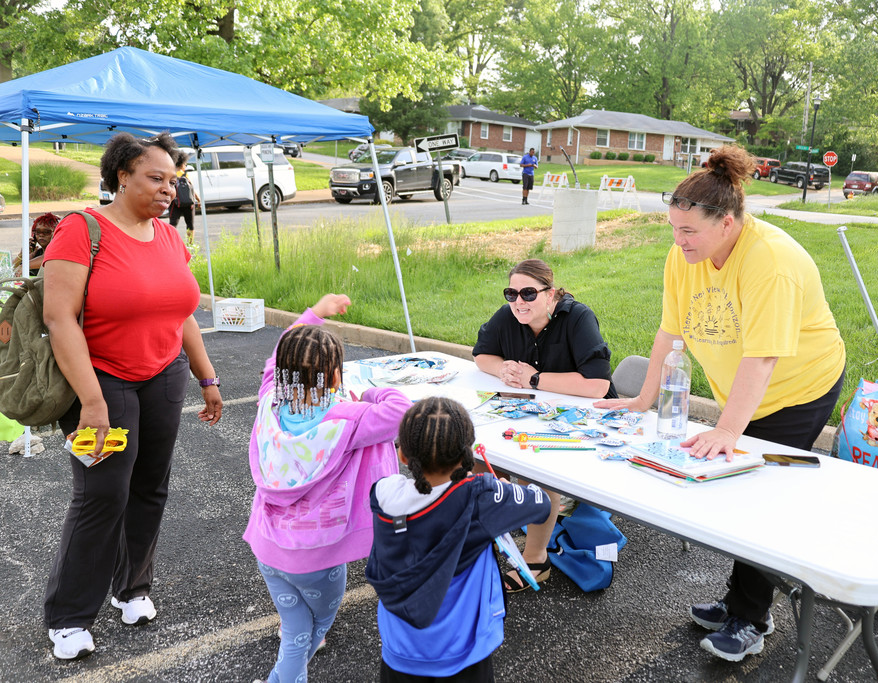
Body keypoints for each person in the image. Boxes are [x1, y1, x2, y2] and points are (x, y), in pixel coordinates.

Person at [595, 145, 846, 663]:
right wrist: (643, 398)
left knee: (758, 495)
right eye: (673, 228)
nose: (678, 240)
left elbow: (763, 360)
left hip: (799, 387)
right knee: (742, 487)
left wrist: (729, 432)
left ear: (727, 222)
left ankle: (753, 618)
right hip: (748, 392)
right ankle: (741, 601)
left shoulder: (770, 262)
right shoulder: (683, 256)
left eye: (689, 231)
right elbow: (670, 330)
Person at [40, 131, 223, 661]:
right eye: (156, 178)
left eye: (174, 181)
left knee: (150, 487)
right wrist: (92, 402)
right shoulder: (82, 230)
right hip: (103, 380)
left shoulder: (167, 237)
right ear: (122, 175)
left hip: (164, 376)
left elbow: (181, 310)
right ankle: (69, 617)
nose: (169, 190)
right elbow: (58, 319)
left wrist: (206, 376)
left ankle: (133, 587)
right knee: (102, 495)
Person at [245, 293, 411, 683]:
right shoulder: (349, 420)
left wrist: (314, 314)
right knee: (310, 631)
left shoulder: (269, 399)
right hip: (318, 557)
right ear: (335, 377)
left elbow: (277, 355)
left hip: (268, 549)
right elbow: (402, 411)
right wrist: (372, 393)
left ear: (282, 372)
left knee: (295, 627)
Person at [365, 397, 551, 682]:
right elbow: (541, 504)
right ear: (468, 455)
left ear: (403, 455)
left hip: (399, 652)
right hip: (462, 654)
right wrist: (500, 490)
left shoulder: (383, 494)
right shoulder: (480, 501)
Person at [472, 258, 616, 591]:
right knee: (481, 461)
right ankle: (488, 538)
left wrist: (534, 378)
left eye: (528, 293)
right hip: (533, 414)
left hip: (590, 420)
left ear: (550, 294)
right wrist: (504, 369)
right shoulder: (509, 314)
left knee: (536, 469)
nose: (518, 301)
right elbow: (481, 355)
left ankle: (536, 560)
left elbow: (598, 385)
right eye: (511, 293)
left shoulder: (578, 318)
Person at [167, 150, 198, 244]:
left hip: (175, 203)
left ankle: (170, 242)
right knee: (190, 224)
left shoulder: (170, 173)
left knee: (172, 224)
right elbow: (192, 189)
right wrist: (198, 199)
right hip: (188, 203)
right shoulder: (186, 174)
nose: (185, 166)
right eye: (185, 164)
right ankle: (190, 244)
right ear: (182, 164)